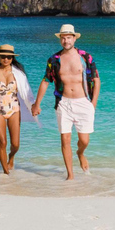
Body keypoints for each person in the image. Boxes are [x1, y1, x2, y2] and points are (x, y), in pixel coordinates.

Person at [32, 24, 100, 180]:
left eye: (69, 37)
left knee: (84, 140)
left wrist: (93, 104)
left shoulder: (85, 57)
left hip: (83, 102)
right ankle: (70, 175)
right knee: (65, 139)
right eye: (63, 37)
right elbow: (45, 81)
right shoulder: (54, 60)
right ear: (60, 39)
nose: (66, 40)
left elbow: (96, 80)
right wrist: (37, 103)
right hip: (63, 103)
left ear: (74, 38)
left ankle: (80, 153)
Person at [0, 44, 38, 174]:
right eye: (3, 56)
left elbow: (28, 92)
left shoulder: (18, 74)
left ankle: (11, 157)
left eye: (9, 57)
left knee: (15, 144)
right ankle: (6, 172)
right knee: (2, 141)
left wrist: (33, 105)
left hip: (14, 109)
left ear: (12, 58)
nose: (6, 59)